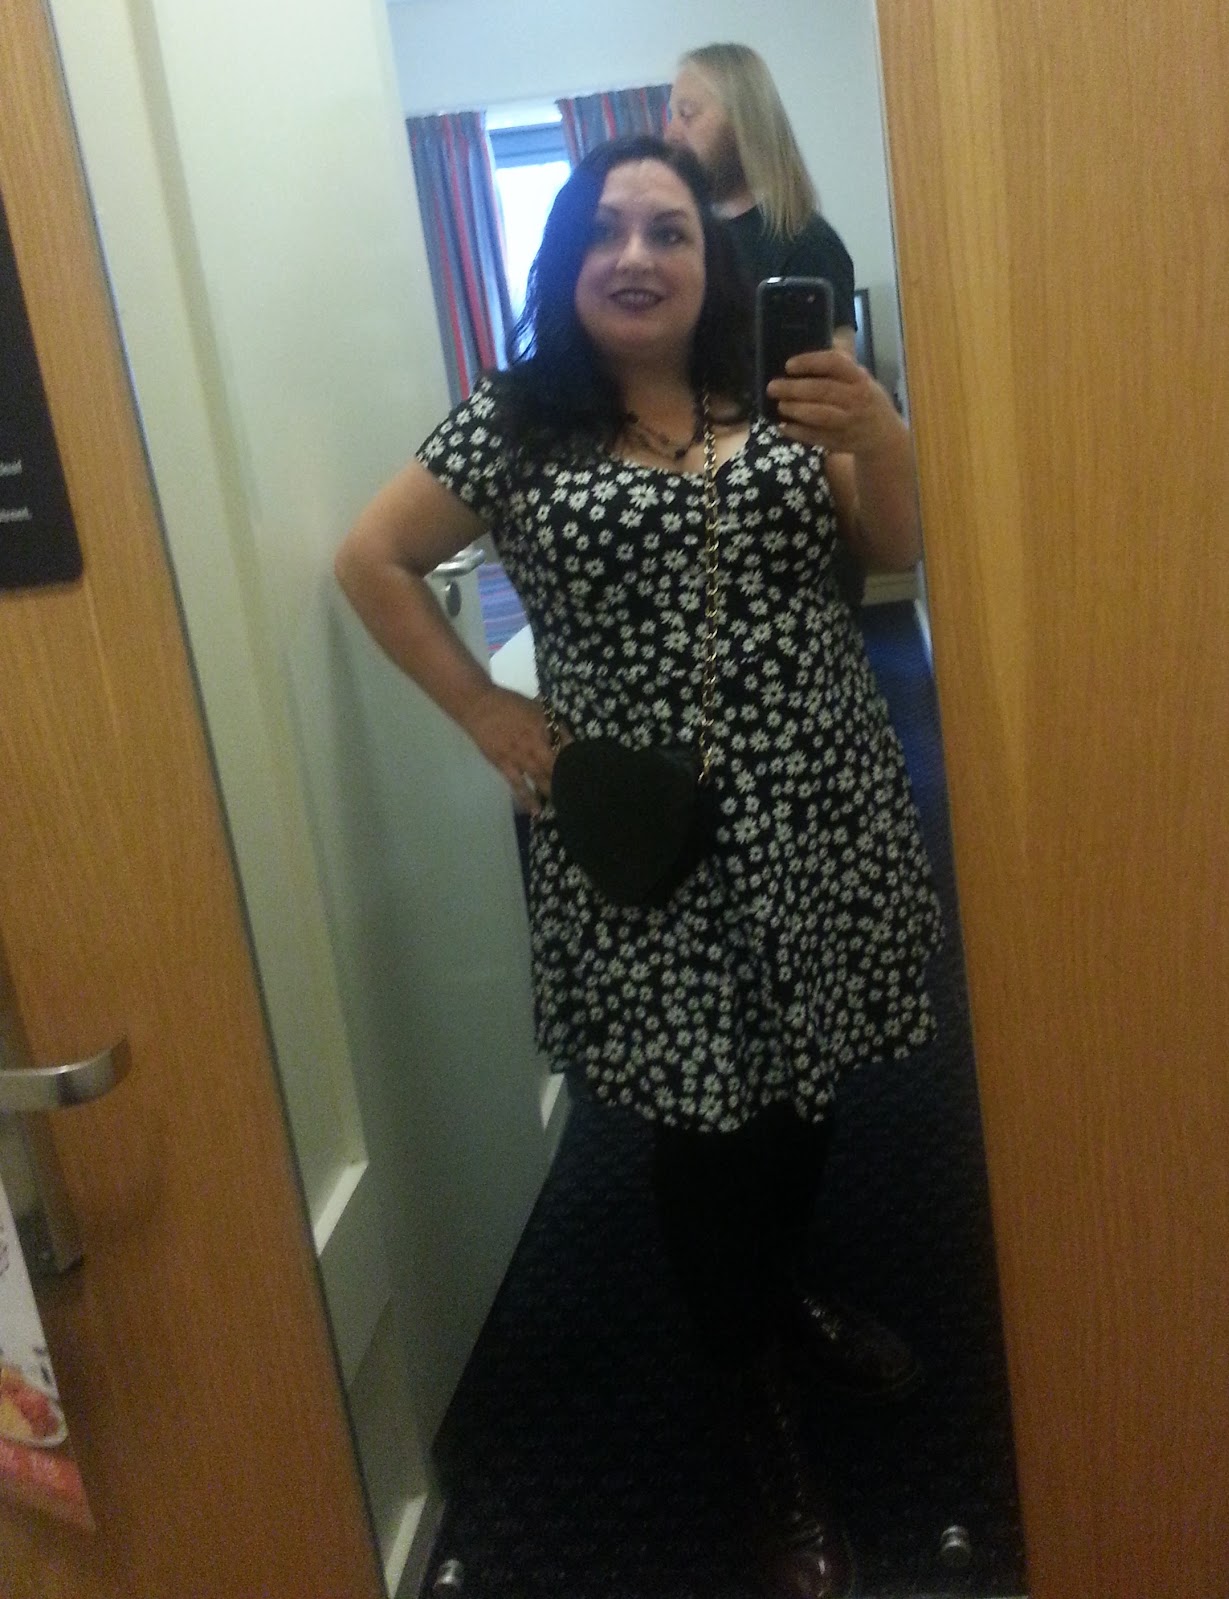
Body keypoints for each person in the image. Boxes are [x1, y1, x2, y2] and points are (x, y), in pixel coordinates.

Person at [335, 135, 941, 1599]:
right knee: (704, 1122)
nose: (635, 254)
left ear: (709, 260)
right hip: (646, 830)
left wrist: (880, 433)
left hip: (821, 800)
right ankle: (751, 1403)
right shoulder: (517, 418)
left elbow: (893, 552)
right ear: (564, 260)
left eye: (667, 229)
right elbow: (370, 559)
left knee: (806, 1079)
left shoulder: (786, 389)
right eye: (603, 229)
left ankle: (779, 1292)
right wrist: (486, 713)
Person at [667, 42, 867, 612]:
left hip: (785, 526)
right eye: (670, 114)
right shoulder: (684, 243)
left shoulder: (805, 242)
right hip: (698, 507)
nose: (672, 132)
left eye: (689, 113)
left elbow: (830, 405)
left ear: (744, 120)